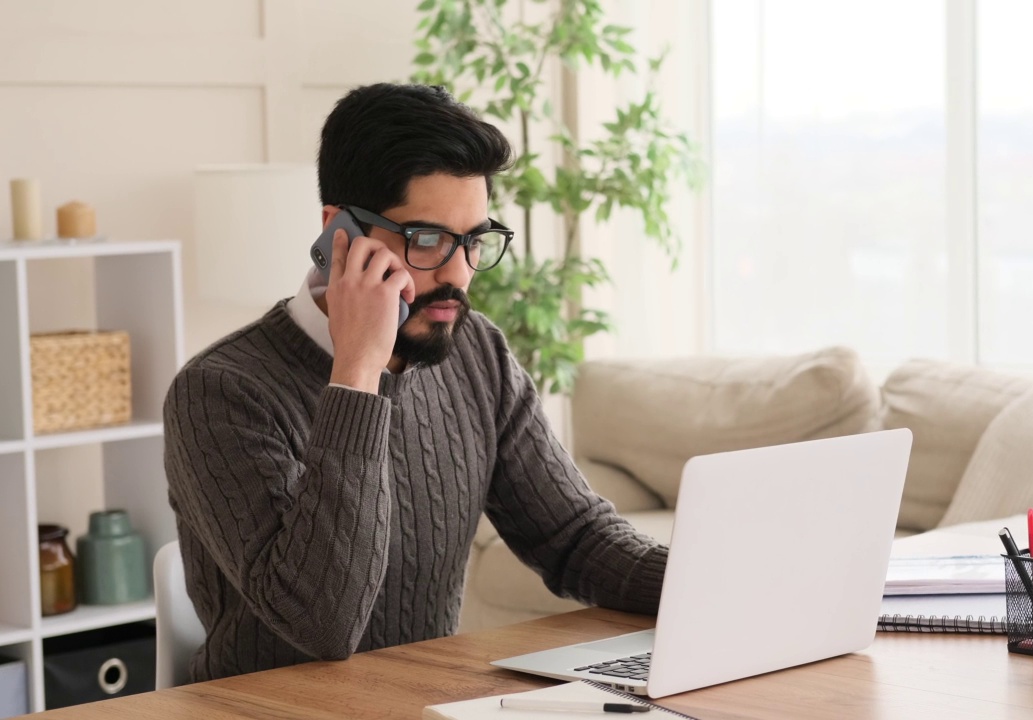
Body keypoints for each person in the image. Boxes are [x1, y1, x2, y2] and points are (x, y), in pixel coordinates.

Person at [163, 83, 668, 682]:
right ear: (338, 233)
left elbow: (575, 539)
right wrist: (357, 373)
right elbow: (322, 625)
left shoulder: (477, 353)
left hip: (421, 703)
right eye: (427, 239)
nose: (458, 272)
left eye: (474, 240)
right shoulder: (220, 392)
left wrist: (728, 585)